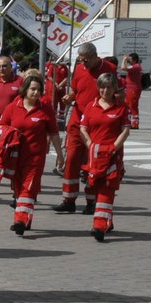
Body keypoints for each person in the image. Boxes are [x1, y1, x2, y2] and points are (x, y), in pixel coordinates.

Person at [0, 69, 63, 235]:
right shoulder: (13, 107)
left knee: (28, 188)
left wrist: (60, 156)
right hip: (15, 157)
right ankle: (26, 219)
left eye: (39, 90)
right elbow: (1, 126)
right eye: (33, 89)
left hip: (35, 158)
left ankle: (19, 220)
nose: (36, 92)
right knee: (19, 189)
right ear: (25, 89)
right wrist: (10, 133)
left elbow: (54, 133)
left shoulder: (45, 109)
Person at [53, 42, 105, 213]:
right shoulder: (80, 69)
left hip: (96, 122)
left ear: (95, 57)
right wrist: (70, 97)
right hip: (77, 119)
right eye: (81, 60)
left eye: (86, 61)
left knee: (93, 162)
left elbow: (117, 93)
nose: (83, 64)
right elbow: (77, 90)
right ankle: (69, 199)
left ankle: (92, 201)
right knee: (72, 158)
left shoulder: (108, 68)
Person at [79, 73, 132, 241]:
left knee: (107, 189)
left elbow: (125, 130)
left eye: (109, 87)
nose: (105, 90)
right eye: (102, 87)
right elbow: (83, 128)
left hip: (112, 156)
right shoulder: (90, 106)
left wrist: (113, 148)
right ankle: (108, 220)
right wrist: (90, 145)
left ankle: (99, 226)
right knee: (94, 187)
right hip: (94, 155)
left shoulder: (121, 108)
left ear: (114, 88)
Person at [0, 55, 24, 124]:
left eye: (4, 66)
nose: (1, 69)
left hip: (13, 123)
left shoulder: (20, 81)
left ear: (11, 67)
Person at [119, 52, 145, 129]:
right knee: (131, 105)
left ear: (134, 60)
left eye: (130, 59)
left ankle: (134, 123)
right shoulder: (135, 66)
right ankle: (133, 122)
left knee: (132, 105)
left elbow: (123, 68)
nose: (128, 60)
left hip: (133, 88)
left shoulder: (136, 66)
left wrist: (124, 60)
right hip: (132, 88)